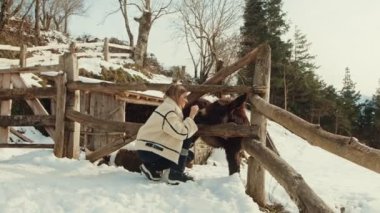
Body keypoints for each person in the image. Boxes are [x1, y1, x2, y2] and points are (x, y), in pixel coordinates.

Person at [135, 84, 199, 184]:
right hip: (150, 151)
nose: (186, 100)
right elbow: (181, 133)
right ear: (176, 96)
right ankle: (176, 174)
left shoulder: (167, 108)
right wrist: (191, 116)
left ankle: (152, 168)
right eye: (184, 97)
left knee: (189, 155)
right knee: (187, 137)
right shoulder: (169, 111)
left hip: (147, 149)